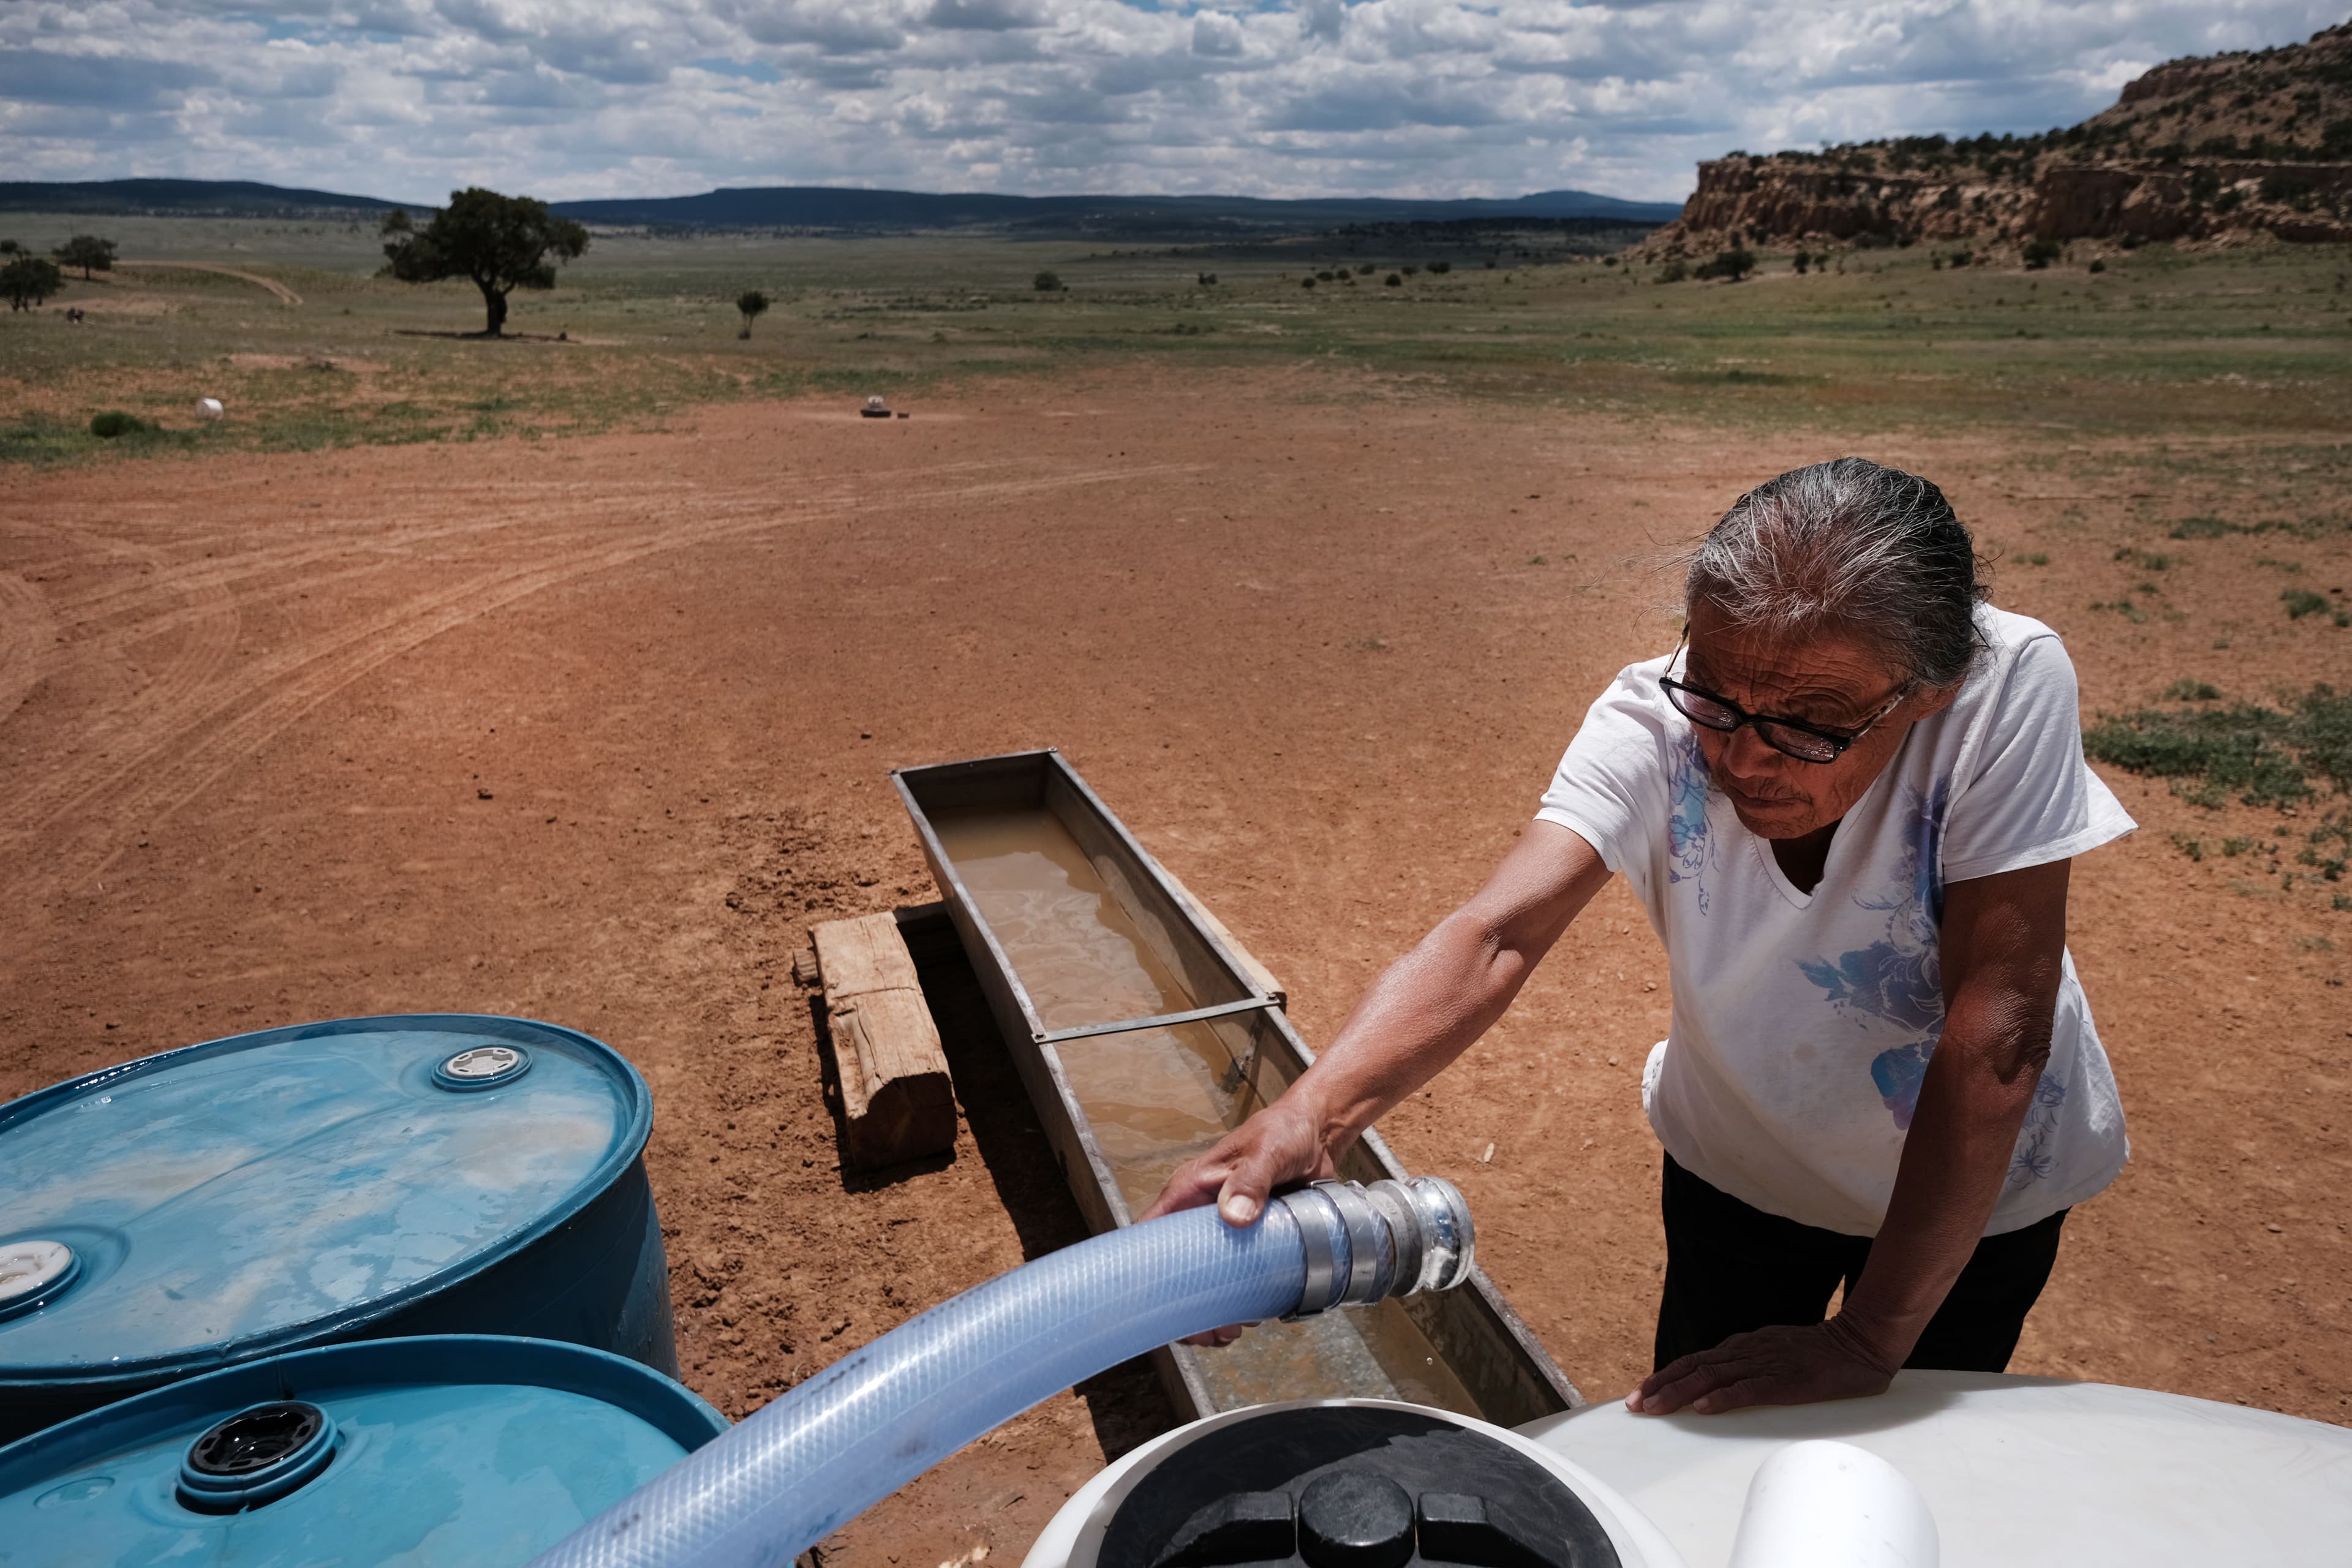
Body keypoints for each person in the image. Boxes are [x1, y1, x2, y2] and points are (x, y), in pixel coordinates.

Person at [1142, 456, 2134, 1416]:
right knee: (1708, 1439)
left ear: (1929, 692)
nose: (1743, 757)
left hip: (1974, 1199)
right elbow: (1495, 934)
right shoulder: (1656, 717)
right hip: (1745, 1165)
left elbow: (1999, 1022)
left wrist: (1871, 1337)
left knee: (1905, 1468)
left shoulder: (2006, 684)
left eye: (1811, 723)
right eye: (1716, 695)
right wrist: (1312, 1116)